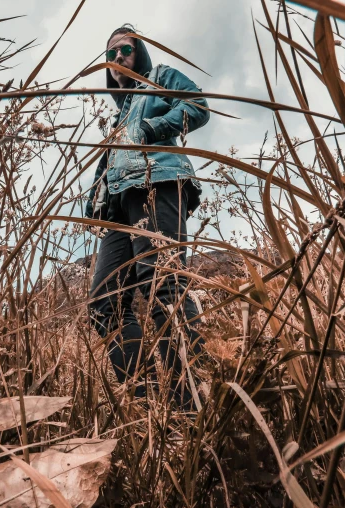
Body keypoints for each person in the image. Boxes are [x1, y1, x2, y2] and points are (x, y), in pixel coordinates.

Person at [85, 24, 210, 410]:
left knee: (163, 285)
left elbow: (197, 106)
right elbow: (106, 170)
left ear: (140, 52)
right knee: (104, 303)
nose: (117, 59)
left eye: (125, 50)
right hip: (120, 208)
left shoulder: (159, 79)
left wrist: (154, 127)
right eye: (110, 56)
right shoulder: (117, 120)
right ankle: (146, 404)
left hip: (158, 181)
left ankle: (188, 405)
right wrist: (95, 204)